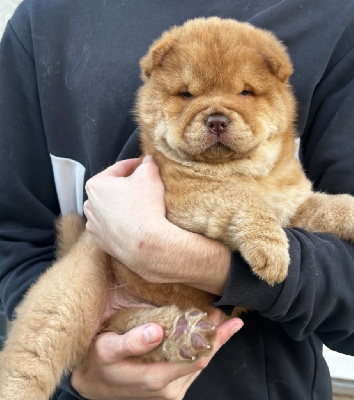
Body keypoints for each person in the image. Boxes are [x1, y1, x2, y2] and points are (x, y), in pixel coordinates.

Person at [0, 0, 353, 399]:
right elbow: (15, 231)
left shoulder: (334, 16)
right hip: (102, 278)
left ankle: (158, 330)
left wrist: (216, 267)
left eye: (245, 92)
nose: (217, 116)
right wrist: (81, 374)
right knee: (56, 317)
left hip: (264, 382)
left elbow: (303, 211)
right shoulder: (46, 17)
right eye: (186, 94)